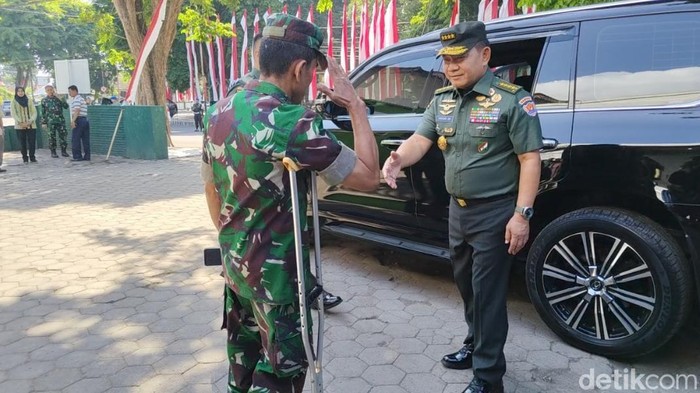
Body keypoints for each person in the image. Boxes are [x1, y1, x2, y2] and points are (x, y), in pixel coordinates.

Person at [201, 13, 379, 393]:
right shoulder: (290, 122)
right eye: (313, 73)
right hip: (278, 281)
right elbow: (368, 177)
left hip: (235, 270)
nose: (312, 82)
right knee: (281, 376)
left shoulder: (221, 109)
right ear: (299, 68)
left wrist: (234, 246)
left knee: (243, 367)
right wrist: (356, 107)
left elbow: (211, 189)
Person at [382, 21, 543, 393]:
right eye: (446, 59)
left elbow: (530, 160)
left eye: (459, 57)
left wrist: (522, 215)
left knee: (486, 294)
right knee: (467, 286)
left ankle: (488, 379)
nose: (451, 66)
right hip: (459, 211)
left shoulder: (512, 100)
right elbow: (420, 140)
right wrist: (397, 159)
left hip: (496, 213)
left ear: (484, 55)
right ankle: (476, 344)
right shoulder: (443, 100)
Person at [41, 84, 70, 158]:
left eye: (51, 90)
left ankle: (64, 151)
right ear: (46, 91)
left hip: (60, 121)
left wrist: (60, 98)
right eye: (48, 90)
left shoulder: (59, 98)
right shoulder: (44, 100)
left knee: (63, 136)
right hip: (50, 122)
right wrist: (43, 122)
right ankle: (53, 152)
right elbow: (42, 112)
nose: (50, 91)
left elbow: (66, 106)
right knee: (51, 137)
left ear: (53, 90)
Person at [10, 86, 38, 164]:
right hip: (20, 126)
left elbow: (34, 112)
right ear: (16, 92)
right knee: (22, 143)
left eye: (22, 91)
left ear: (24, 92)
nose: (20, 92)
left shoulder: (29, 100)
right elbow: (13, 113)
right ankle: (25, 158)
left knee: (32, 142)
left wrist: (30, 121)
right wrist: (20, 122)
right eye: (18, 91)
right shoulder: (14, 101)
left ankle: (32, 157)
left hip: (31, 125)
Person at [68, 85, 91, 161]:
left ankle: (77, 156)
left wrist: (73, 120)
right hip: (85, 120)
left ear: (75, 91)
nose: (69, 93)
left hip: (79, 120)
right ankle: (87, 156)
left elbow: (77, 110)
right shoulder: (82, 99)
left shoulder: (77, 99)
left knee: (75, 139)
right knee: (85, 139)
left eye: (70, 91)